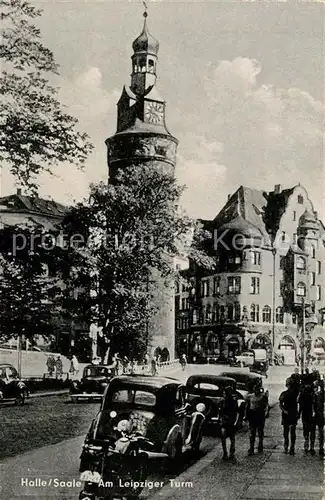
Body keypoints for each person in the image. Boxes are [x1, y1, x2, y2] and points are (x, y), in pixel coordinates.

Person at [245, 382, 268, 455]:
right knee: (252, 432)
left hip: (260, 414)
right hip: (253, 414)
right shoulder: (250, 396)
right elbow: (247, 406)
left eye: (258, 389)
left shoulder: (263, 396)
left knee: (260, 431)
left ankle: (260, 444)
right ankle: (251, 447)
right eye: (255, 389)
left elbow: (265, 405)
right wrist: (246, 415)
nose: (256, 391)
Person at [279, 377, 299, 455]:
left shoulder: (296, 394)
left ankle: (292, 447)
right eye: (289, 385)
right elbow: (280, 404)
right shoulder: (284, 394)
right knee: (286, 432)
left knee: (292, 432)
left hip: (292, 413)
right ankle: (286, 446)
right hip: (287, 414)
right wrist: (284, 411)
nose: (290, 386)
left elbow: (298, 403)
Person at [219, 386, 238, 461]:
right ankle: (227, 453)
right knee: (227, 438)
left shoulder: (232, 402)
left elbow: (235, 412)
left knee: (230, 438)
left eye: (225, 393)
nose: (224, 395)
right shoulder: (223, 401)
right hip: (226, 422)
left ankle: (229, 453)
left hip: (229, 422)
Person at [298, 383, 314, 454]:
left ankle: (306, 442)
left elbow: (300, 406)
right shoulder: (313, 395)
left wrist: (298, 414)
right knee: (312, 430)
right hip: (311, 414)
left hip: (305, 414)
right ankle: (311, 446)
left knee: (306, 429)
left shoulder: (302, 395)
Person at [310, 379, 324, 456]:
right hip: (314, 416)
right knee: (313, 433)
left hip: (320, 416)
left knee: (320, 433)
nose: (316, 388)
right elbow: (311, 405)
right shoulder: (312, 395)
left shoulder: (322, 395)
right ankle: (312, 448)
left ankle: (321, 448)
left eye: (317, 387)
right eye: (315, 387)